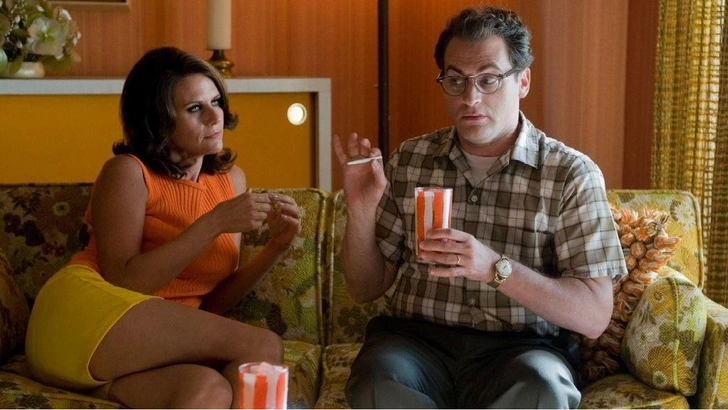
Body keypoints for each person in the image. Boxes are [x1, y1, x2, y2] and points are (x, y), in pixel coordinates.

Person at [333, 6, 627, 409]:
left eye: (488, 80)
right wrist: (360, 211)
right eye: (456, 80)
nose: (470, 98)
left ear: (523, 81)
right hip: (416, 346)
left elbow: (593, 315)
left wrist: (494, 268)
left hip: (522, 350)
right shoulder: (411, 160)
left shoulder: (570, 174)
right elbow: (365, 288)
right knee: (375, 381)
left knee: (545, 388)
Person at [24, 47, 302, 409]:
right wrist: (214, 222)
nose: (215, 116)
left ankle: (105, 388)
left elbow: (207, 303)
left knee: (207, 390)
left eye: (216, 101)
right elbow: (124, 282)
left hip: (136, 346)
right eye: (194, 108)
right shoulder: (128, 172)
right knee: (262, 346)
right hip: (82, 317)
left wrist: (276, 247)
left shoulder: (231, 181)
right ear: (157, 121)